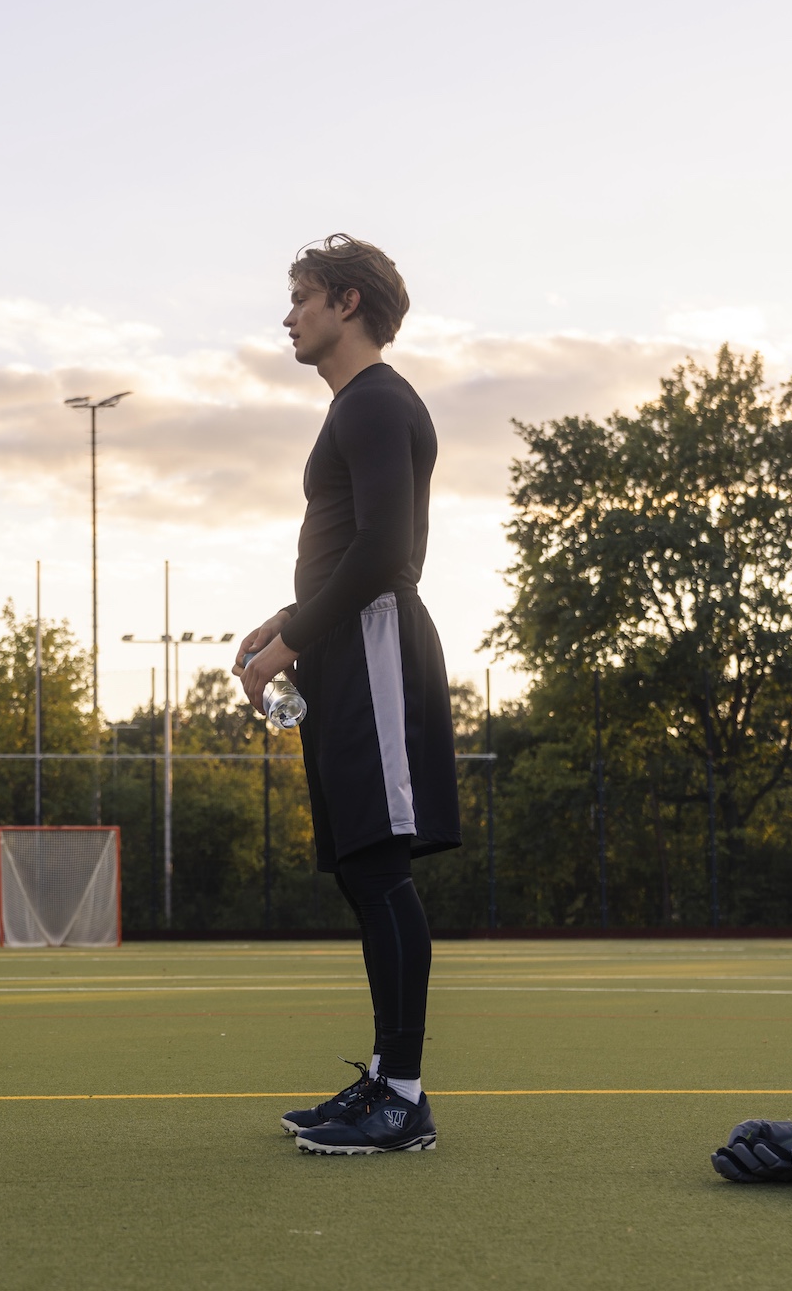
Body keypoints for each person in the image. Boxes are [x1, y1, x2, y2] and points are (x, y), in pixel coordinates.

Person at [235, 235, 461, 1155]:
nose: (289, 315)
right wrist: (286, 619)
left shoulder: (375, 402)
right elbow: (352, 550)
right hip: (346, 644)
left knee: (380, 867)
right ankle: (384, 1079)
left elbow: (385, 554)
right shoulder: (358, 408)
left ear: (348, 303)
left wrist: (293, 637)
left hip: (371, 646)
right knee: (362, 869)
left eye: (301, 297)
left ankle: (402, 1098)